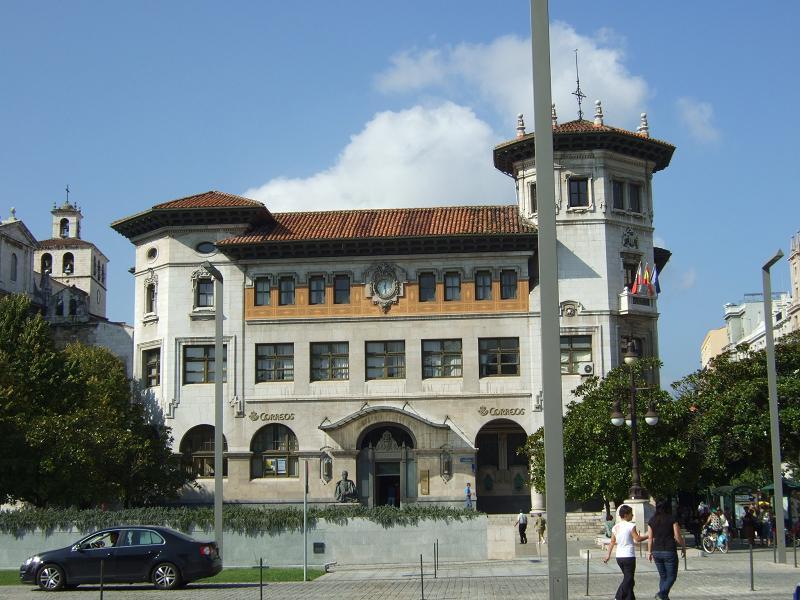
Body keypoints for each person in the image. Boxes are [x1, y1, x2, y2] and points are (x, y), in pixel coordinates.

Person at [603, 504, 646, 600]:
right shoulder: (631, 526)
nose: (633, 515)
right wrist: (648, 536)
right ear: (626, 515)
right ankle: (618, 597)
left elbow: (612, 541)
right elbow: (637, 539)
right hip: (629, 556)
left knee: (629, 579)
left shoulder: (615, 527)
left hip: (619, 557)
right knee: (628, 579)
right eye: (631, 514)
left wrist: (608, 555)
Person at [648, 500, 686, 600]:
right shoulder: (672, 519)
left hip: (656, 550)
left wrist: (649, 552)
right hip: (669, 550)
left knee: (663, 576)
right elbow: (677, 536)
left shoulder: (652, 520)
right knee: (671, 577)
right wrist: (683, 546)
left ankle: (663, 597)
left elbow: (650, 538)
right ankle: (661, 594)